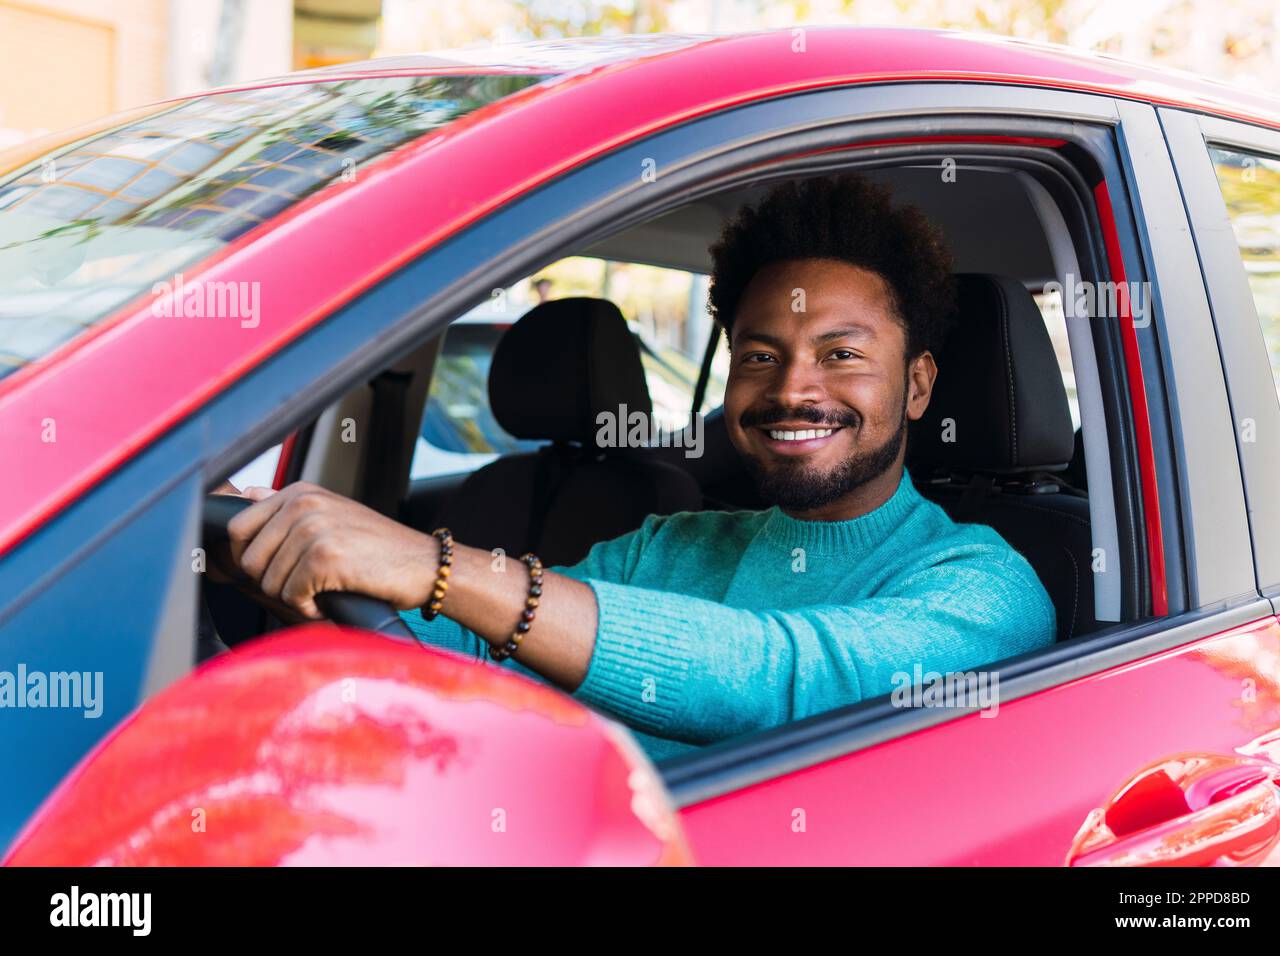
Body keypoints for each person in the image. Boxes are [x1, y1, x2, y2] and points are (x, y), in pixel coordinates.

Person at [222, 174, 1055, 762]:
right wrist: (264, 545)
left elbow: (779, 680)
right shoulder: (668, 545)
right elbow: (468, 651)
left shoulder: (985, 590)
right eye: (760, 356)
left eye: (841, 354)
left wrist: (433, 564)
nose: (792, 389)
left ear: (918, 385)